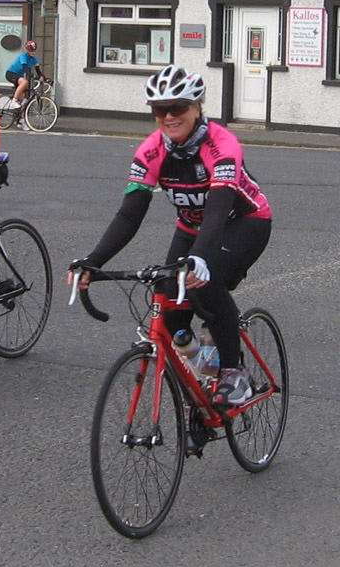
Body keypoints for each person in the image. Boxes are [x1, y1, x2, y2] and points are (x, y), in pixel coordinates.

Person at [69, 64, 272, 406]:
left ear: (197, 107)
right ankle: (201, 374)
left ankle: (234, 372)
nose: (168, 117)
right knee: (171, 306)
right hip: (191, 228)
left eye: (177, 108)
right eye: (160, 110)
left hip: (244, 222)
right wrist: (93, 260)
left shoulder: (222, 144)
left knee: (206, 280)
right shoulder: (151, 150)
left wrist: (201, 258)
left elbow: (219, 209)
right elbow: (130, 214)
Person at [5, 40, 46, 129]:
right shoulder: (23, 56)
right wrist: (34, 77)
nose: (33, 52)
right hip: (11, 73)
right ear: (28, 50)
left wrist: (44, 78)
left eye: (34, 50)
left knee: (23, 100)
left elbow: (39, 72)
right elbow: (26, 69)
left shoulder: (35, 59)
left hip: (18, 76)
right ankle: (14, 101)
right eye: (31, 51)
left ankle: (21, 121)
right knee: (25, 82)